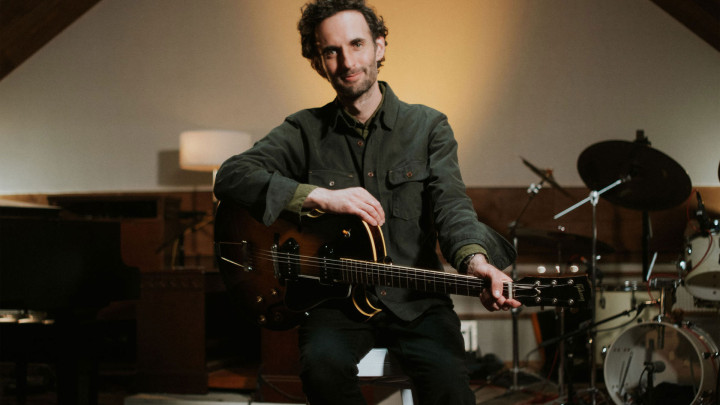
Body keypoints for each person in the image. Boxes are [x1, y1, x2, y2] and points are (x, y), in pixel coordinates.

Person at [214, 0, 521, 403]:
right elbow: (231, 176)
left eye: (356, 44)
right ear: (318, 62)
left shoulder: (428, 127)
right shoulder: (303, 130)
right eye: (331, 51)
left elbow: (452, 208)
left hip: (417, 303)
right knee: (322, 371)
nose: (347, 62)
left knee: (451, 391)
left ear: (379, 46)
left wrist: (476, 262)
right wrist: (320, 197)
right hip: (335, 305)